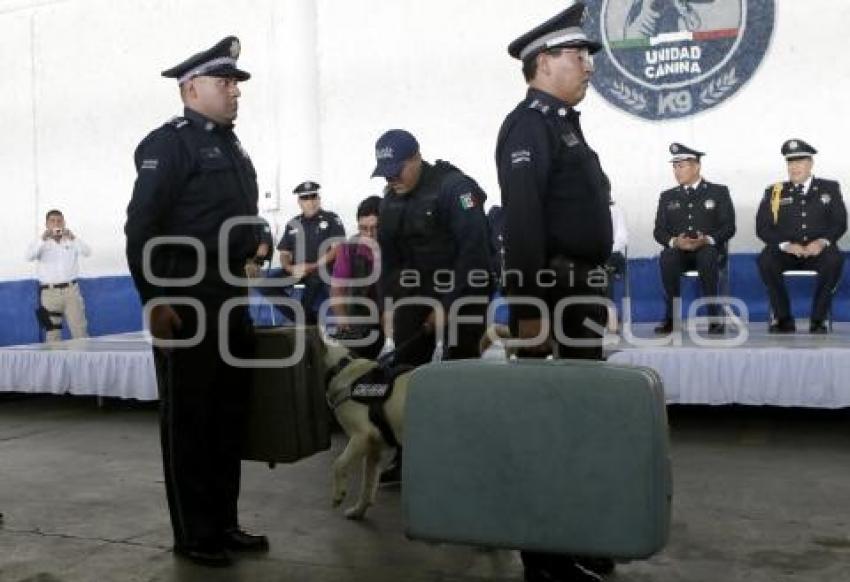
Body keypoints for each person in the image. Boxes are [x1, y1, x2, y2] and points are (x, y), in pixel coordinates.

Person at [124, 36, 269, 567]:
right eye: (225, 82)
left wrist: (261, 237)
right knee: (190, 421)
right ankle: (194, 534)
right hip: (186, 303)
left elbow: (238, 216)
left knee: (228, 416)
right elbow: (141, 227)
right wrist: (154, 298)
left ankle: (223, 523)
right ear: (191, 88)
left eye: (235, 83)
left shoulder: (233, 146)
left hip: (231, 299)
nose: (235, 92)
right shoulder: (170, 145)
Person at [496, 3, 615, 581]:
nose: (588, 67)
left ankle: (576, 537)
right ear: (544, 63)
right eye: (578, 56)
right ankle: (545, 556)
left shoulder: (562, 124)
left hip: (578, 291)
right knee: (551, 429)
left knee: (579, 424)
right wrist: (527, 312)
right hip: (553, 296)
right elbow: (522, 226)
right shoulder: (529, 126)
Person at [373, 128, 492, 484]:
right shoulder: (389, 197)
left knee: (459, 375)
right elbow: (389, 260)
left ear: (416, 158)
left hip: (465, 286)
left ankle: (463, 456)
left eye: (398, 170)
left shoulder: (455, 188)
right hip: (416, 287)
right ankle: (409, 454)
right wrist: (388, 305)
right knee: (406, 375)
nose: (393, 178)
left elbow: (474, 252)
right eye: (386, 173)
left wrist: (448, 304)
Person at [756, 139, 847, 334]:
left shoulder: (829, 188)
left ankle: (818, 319)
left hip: (819, 251)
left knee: (834, 260)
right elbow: (762, 228)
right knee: (766, 260)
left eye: (800, 162)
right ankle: (783, 319)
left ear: (810, 163)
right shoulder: (774, 191)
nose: (794, 167)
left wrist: (822, 242)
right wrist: (785, 245)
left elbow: (839, 223)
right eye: (790, 162)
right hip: (786, 251)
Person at [652, 143, 736, 334]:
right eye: (674, 166)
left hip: (708, 249)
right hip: (679, 251)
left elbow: (729, 227)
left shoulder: (718, 192)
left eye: (681, 166)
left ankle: (714, 317)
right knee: (667, 257)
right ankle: (671, 319)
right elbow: (659, 231)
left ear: (696, 166)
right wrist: (675, 241)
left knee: (707, 257)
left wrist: (707, 240)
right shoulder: (667, 196)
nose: (676, 171)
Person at [277, 181, 345, 324]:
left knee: (319, 283)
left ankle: (306, 318)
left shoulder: (331, 218)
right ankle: (304, 317)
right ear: (299, 202)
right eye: (305, 198)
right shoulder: (293, 223)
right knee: (265, 284)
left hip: (324, 270)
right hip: (297, 271)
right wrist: (289, 268)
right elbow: (284, 253)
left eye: (314, 197)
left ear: (319, 199)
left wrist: (312, 266)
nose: (311, 202)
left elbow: (337, 249)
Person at [329, 195, 384, 359]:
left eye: (375, 228)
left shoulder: (396, 246)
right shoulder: (349, 249)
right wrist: (343, 321)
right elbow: (337, 290)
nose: (369, 234)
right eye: (363, 228)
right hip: (360, 316)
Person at [26, 209, 91, 342]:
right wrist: (42, 239)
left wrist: (73, 237)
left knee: (80, 331)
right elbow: (29, 256)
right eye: (52, 221)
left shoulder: (71, 241)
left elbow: (87, 252)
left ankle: (84, 361)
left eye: (59, 221)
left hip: (71, 291)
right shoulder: (40, 243)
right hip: (49, 294)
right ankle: (54, 362)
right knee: (52, 334)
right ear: (47, 224)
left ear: (64, 223)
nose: (56, 224)